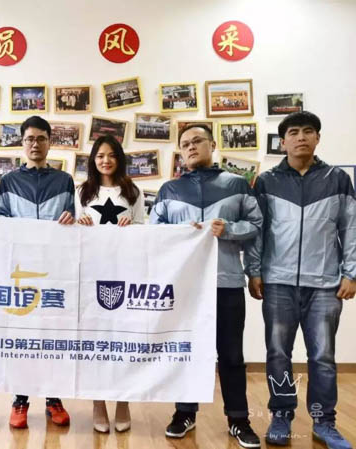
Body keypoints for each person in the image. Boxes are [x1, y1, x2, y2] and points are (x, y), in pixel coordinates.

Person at [245, 111, 355, 449]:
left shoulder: (338, 179)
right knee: (278, 353)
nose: (301, 137)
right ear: (282, 142)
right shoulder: (267, 181)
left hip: (325, 284)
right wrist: (254, 270)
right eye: (293, 132)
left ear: (318, 138)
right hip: (277, 282)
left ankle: (324, 421)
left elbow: (351, 227)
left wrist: (351, 272)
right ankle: (281, 415)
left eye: (308, 131)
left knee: (322, 356)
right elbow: (258, 230)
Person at [151, 124, 262, 449]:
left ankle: (239, 419)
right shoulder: (169, 189)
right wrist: (179, 233)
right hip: (184, 287)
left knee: (231, 355)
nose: (191, 147)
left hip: (226, 283)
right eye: (185, 143)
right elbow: (154, 234)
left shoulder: (237, 184)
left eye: (197, 140)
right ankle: (185, 413)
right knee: (186, 350)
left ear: (212, 145)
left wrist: (228, 229)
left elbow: (256, 226)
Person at [0, 115, 75, 429]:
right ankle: (20, 399)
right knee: (23, 337)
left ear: (49, 142)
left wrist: (71, 219)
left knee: (53, 336)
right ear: (22, 142)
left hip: (56, 269)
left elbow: (74, 219)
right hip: (22, 272)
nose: (35, 144)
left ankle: (53, 398)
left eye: (41, 138)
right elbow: (2, 222)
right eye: (29, 138)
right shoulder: (8, 182)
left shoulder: (64, 180)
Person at [75, 134, 144, 433]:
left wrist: (133, 227)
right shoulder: (82, 192)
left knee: (123, 339)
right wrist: (79, 224)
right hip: (92, 273)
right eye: (100, 155)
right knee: (95, 340)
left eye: (112, 155)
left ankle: (123, 400)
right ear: (93, 159)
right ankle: (98, 402)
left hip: (124, 271)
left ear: (120, 158)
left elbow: (144, 229)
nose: (106, 160)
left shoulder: (132, 191)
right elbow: (73, 231)